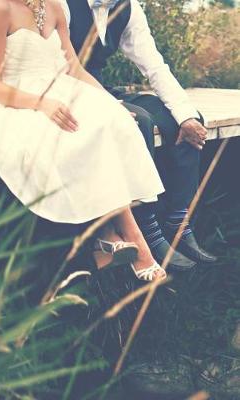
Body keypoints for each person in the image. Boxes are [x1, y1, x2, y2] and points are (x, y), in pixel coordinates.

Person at [0, 0, 169, 282]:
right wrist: (41, 104)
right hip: (15, 100)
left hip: (61, 89)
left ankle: (111, 237)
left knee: (111, 121)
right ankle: (134, 240)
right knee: (69, 135)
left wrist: (110, 102)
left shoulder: (54, 6)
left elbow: (74, 69)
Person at [60, 0, 217, 269]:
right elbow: (55, 64)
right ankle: (148, 229)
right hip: (65, 94)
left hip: (102, 88)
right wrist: (110, 106)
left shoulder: (127, 7)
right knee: (138, 122)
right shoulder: (61, 3)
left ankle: (178, 220)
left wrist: (185, 115)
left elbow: (154, 66)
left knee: (184, 117)